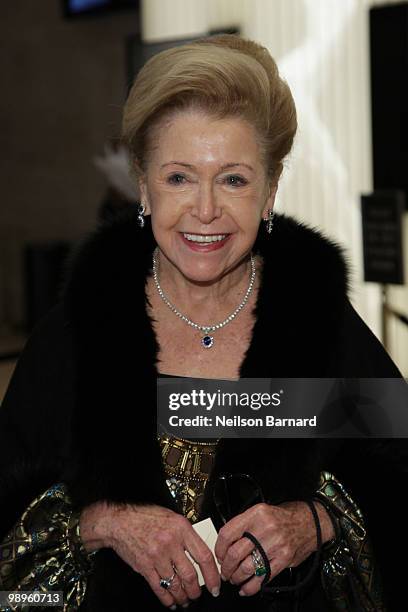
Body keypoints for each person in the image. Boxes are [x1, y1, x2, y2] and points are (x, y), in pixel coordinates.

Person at [0, 34, 406, 612]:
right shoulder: (79, 337)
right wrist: (103, 522)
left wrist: (314, 520)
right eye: (179, 178)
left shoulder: (317, 328)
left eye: (235, 179)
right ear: (143, 187)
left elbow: (395, 477)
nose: (207, 209)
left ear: (270, 193)